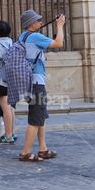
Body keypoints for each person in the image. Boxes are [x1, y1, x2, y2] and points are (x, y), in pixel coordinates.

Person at [17, 10, 65, 162]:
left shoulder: (22, 37)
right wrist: (60, 25)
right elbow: (59, 43)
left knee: (41, 116)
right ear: (31, 23)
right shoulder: (35, 37)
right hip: (36, 83)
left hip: (28, 82)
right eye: (38, 20)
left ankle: (43, 149)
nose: (40, 22)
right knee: (35, 119)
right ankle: (25, 153)